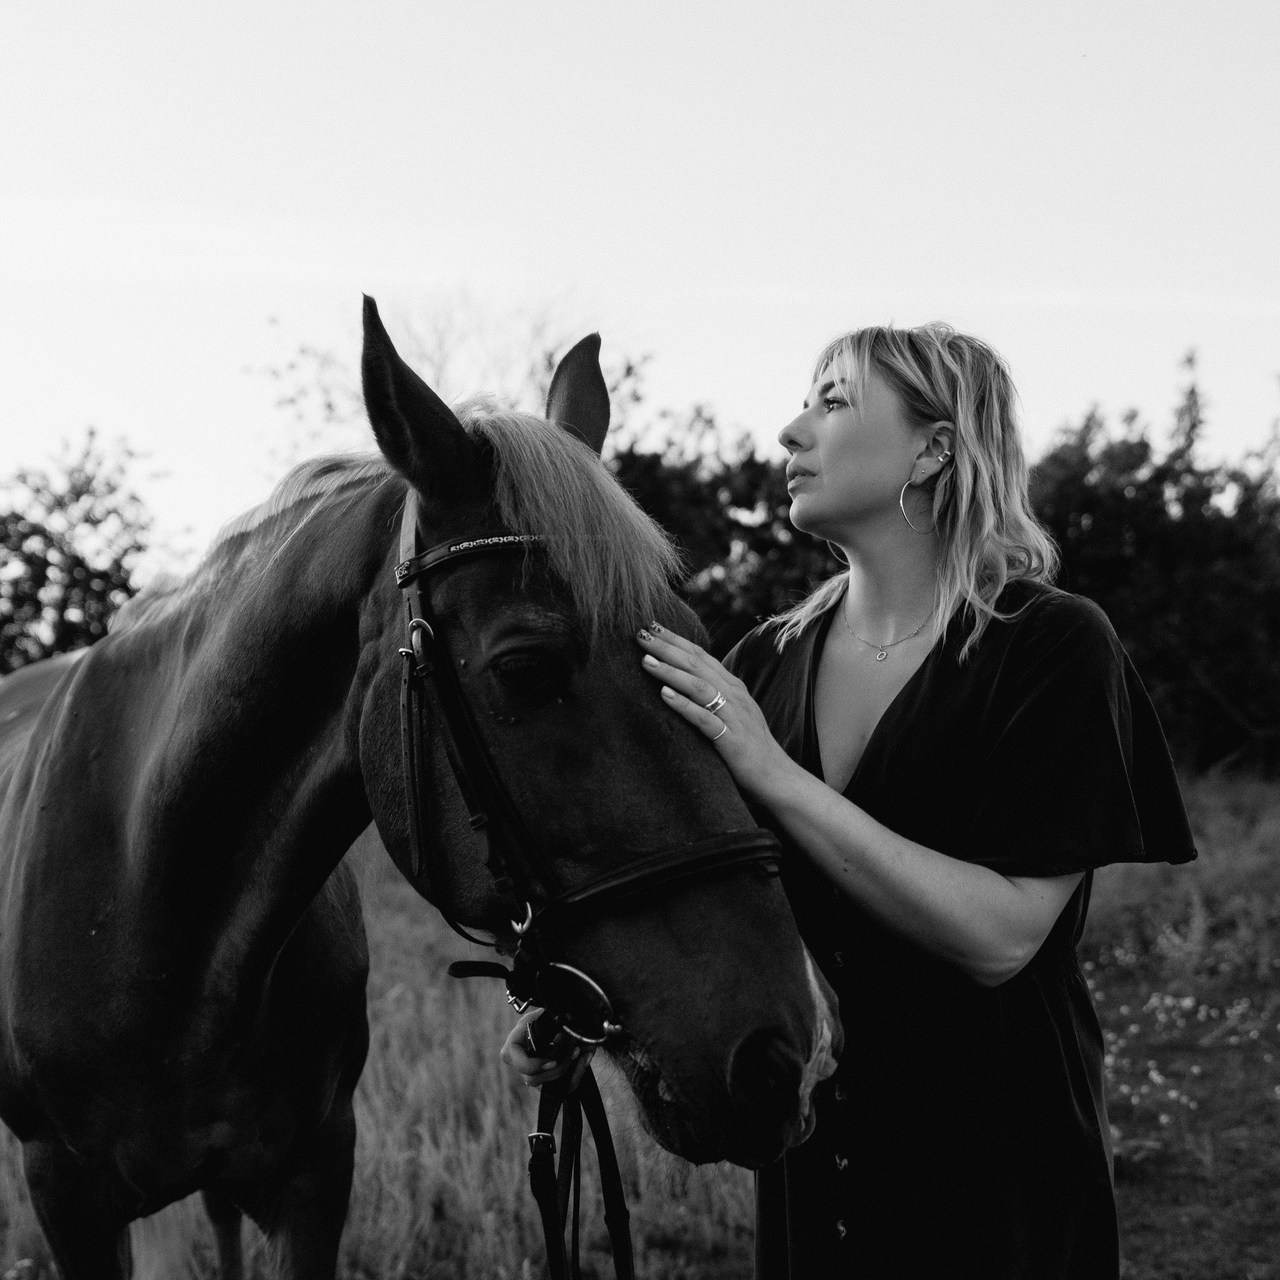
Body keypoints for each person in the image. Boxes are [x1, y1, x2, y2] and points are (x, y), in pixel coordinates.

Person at [502, 323, 1196, 1279]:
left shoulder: (1052, 647)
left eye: (832, 402)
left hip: (996, 1170)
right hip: (813, 1168)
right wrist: (596, 1017)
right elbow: (729, 913)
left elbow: (1001, 938)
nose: (791, 431)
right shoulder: (760, 667)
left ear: (935, 448)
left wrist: (773, 773)